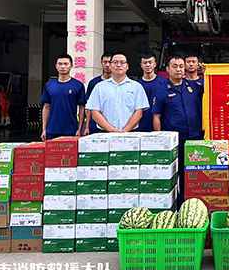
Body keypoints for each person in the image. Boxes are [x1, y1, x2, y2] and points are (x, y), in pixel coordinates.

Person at [152, 55, 204, 205]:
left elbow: (213, 90)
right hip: (175, 139)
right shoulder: (162, 90)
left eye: (181, 66)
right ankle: (177, 203)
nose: (179, 69)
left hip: (194, 138)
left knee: (193, 172)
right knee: (176, 172)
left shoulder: (193, 86)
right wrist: (160, 138)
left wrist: (210, 73)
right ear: (168, 69)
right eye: (175, 66)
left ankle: (192, 201)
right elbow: (156, 116)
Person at [86, 51, 149, 132]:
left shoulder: (136, 87)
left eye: (122, 62)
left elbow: (139, 112)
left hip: (129, 133)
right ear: (110, 65)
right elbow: (95, 112)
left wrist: (125, 131)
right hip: (105, 133)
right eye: (115, 62)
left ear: (127, 66)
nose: (118, 65)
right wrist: (112, 130)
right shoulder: (99, 87)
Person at [41, 54, 86, 141]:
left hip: (71, 130)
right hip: (52, 130)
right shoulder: (49, 85)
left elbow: (81, 108)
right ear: (56, 66)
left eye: (66, 64)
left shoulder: (78, 85)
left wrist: (80, 129)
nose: (63, 66)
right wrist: (44, 130)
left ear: (71, 66)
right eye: (60, 64)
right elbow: (46, 107)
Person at [136, 51, 167, 132]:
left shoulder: (164, 83)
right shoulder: (136, 85)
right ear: (141, 65)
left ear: (155, 64)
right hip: (141, 126)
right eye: (145, 63)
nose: (147, 65)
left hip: (161, 125)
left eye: (150, 62)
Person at [84, 52, 112, 135]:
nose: (107, 65)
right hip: (95, 125)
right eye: (105, 62)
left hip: (113, 124)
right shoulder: (94, 83)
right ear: (101, 63)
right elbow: (89, 106)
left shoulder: (119, 83)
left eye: (110, 62)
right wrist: (87, 126)